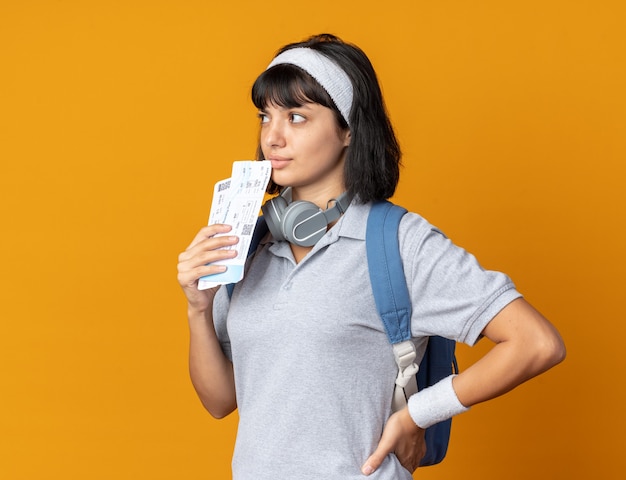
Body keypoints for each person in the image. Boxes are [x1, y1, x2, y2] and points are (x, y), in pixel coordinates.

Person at [177, 33, 566, 480]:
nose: (273, 137)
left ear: (348, 130)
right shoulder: (250, 245)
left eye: (297, 117)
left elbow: (537, 344)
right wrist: (198, 309)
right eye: (266, 117)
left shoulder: (398, 243)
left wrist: (417, 413)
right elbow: (220, 401)